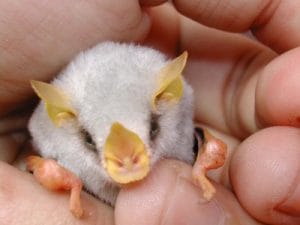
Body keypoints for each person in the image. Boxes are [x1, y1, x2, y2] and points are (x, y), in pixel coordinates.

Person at [1, 0, 300, 224]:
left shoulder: (172, 106)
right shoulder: (55, 127)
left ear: (166, 98)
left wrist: (204, 157)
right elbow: (40, 137)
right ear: (63, 118)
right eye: (93, 142)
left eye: (151, 131)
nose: (129, 164)